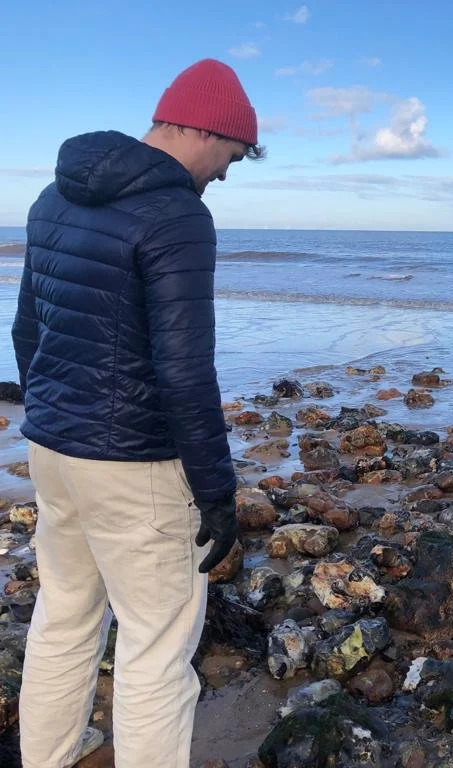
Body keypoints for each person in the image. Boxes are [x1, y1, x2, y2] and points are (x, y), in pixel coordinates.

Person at [11, 59, 264, 766]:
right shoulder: (178, 214)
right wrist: (217, 492)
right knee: (156, 649)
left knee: (63, 618)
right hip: (135, 463)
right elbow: (185, 371)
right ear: (206, 130)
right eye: (234, 154)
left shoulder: (53, 198)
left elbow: (28, 332)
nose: (227, 173)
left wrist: (56, 415)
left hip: (53, 450)